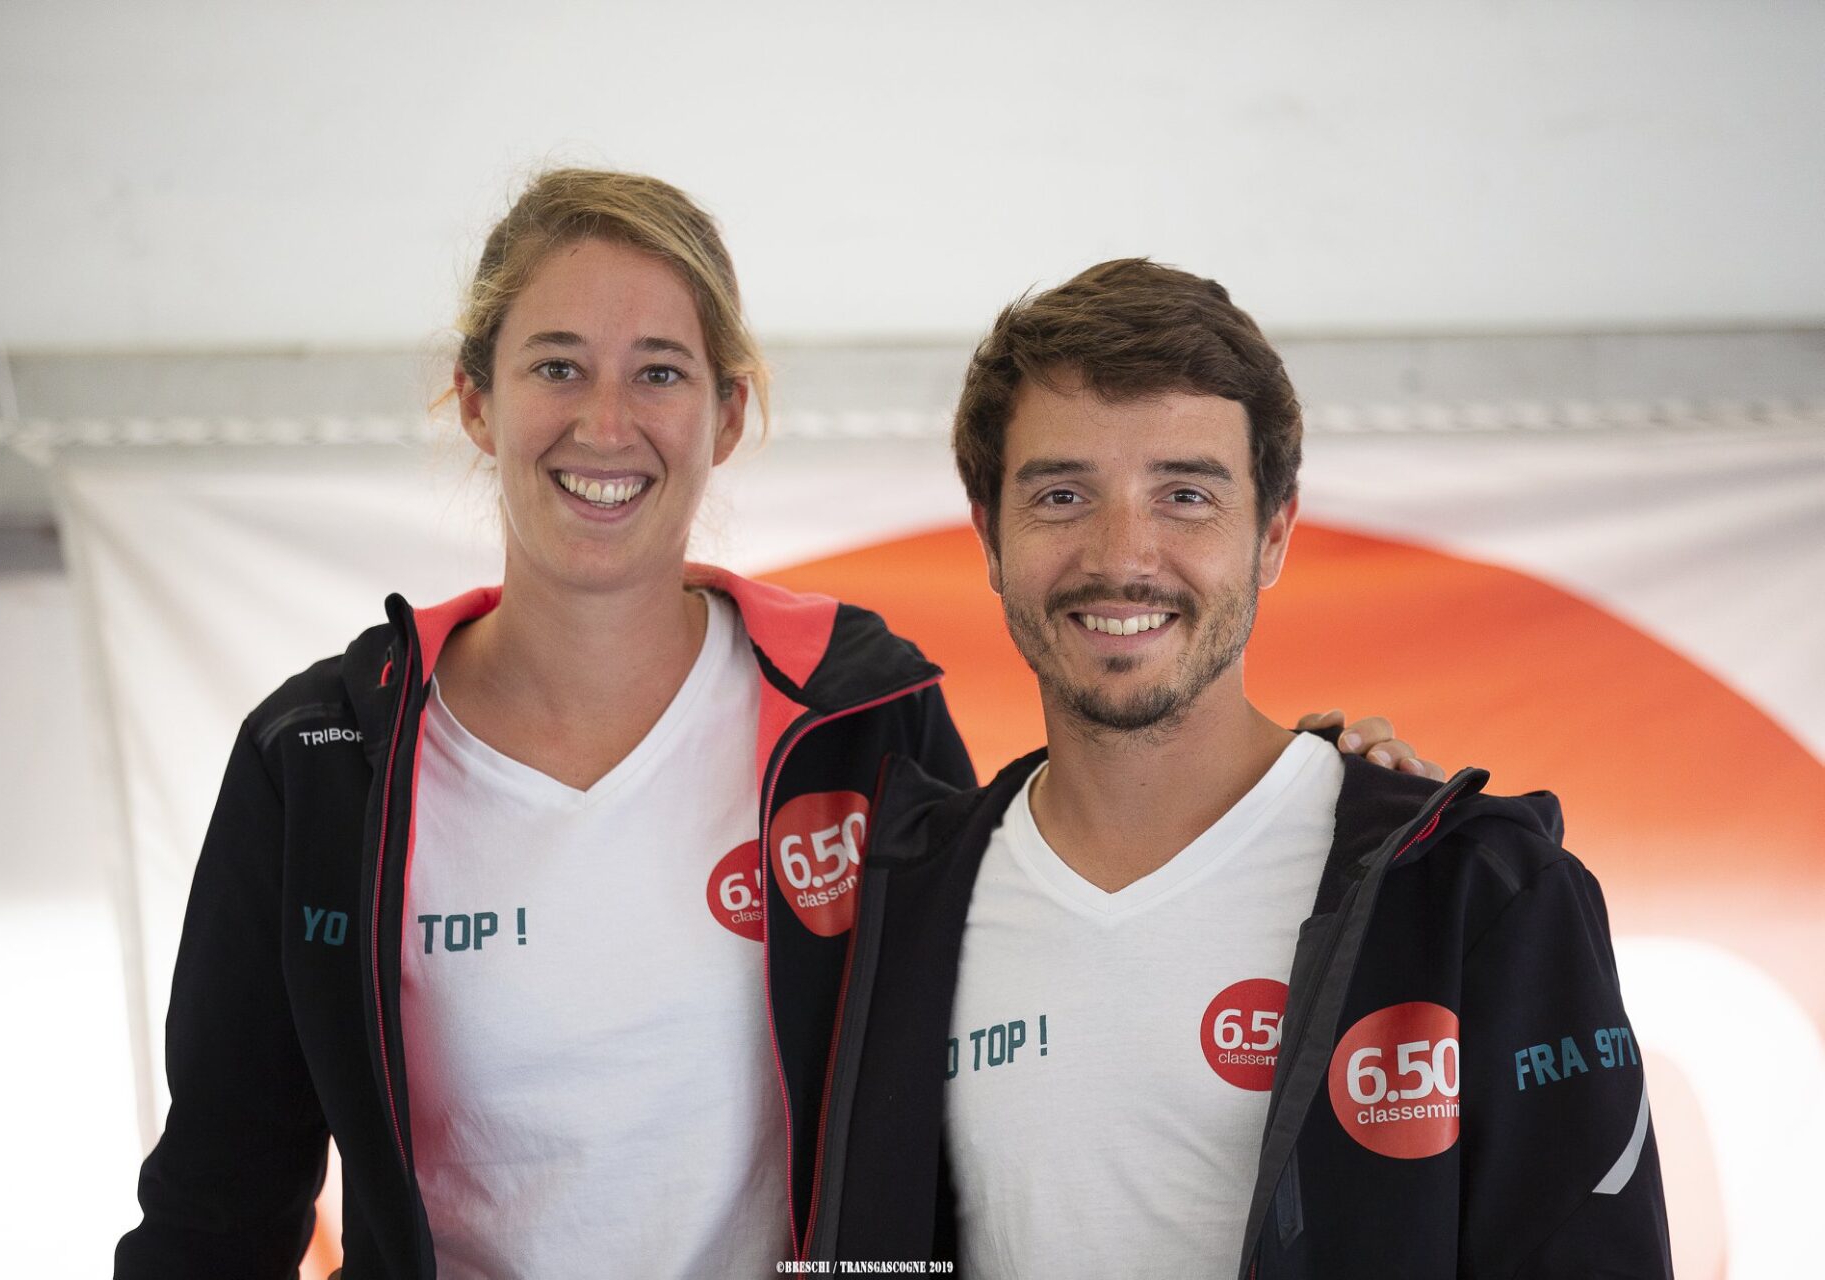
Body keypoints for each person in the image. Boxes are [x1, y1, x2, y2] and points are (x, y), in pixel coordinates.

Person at [113, 172, 1433, 1279]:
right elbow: (219, 1205)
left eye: (660, 371)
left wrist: (1331, 805)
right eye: (557, 365)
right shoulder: (324, 760)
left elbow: (1015, 968)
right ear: (476, 397)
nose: (606, 422)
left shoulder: (859, 714)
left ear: (729, 413)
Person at [810, 260, 1672, 1277]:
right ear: (990, 538)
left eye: (1185, 494)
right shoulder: (893, 908)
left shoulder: (1474, 892)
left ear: (1272, 536)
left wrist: (1394, 832)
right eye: (1061, 494)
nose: (1122, 554)